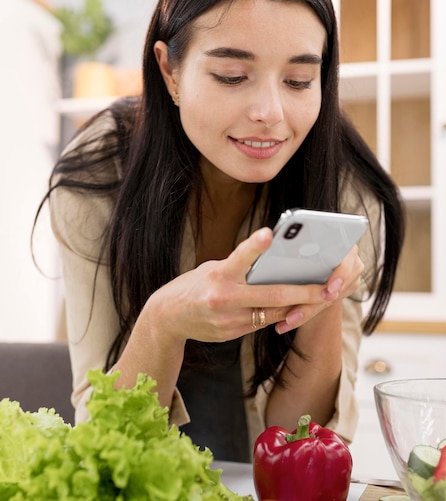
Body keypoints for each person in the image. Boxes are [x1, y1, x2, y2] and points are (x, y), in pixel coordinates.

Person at [38, 0, 404, 462]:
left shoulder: (344, 184)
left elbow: (298, 446)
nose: (270, 113)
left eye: (298, 81)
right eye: (232, 75)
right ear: (170, 70)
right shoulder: (100, 172)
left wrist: (323, 298)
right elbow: (107, 446)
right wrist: (163, 320)